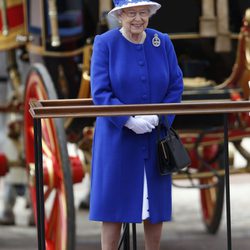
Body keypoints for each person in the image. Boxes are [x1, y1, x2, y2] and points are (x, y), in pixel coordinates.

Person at [89, 1, 184, 249]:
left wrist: (160, 117)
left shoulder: (161, 41)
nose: (138, 19)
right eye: (131, 13)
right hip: (117, 139)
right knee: (113, 207)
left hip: (154, 138)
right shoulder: (105, 43)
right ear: (120, 15)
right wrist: (127, 120)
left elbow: (175, 85)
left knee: (155, 207)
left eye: (143, 13)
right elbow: (100, 91)